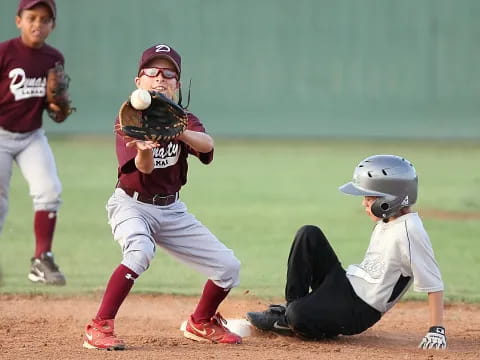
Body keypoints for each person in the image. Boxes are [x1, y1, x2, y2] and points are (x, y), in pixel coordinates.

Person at [82, 43, 242, 350]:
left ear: (177, 85)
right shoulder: (128, 119)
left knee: (228, 266)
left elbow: (207, 145)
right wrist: (145, 149)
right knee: (139, 252)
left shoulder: (185, 119)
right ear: (138, 82)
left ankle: (201, 321)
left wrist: (178, 132)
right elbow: (142, 169)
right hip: (131, 205)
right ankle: (98, 326)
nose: (160, 78)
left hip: (172, 210)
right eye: (152, 72)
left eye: (168, 74)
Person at [247, 155, 447, 350]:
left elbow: (433, 282)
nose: (363, 203)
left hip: (359, 309)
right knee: (309, 234)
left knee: (299, 315)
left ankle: (292, 317)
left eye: (369, 198)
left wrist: (436, 330)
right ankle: (287, 315)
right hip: (346, 284)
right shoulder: (389, 221)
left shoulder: (410, 231)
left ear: (389, 200)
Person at [0, 0, 69, 286]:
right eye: (31, 17)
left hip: (31, 136)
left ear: (52, 25)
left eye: (44, 19)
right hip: (1, 135)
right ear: (19, 20)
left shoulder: (53, 57)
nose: (37, 24)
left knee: (49, 190)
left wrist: (57, 107)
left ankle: (42, 259)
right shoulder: (4, 52)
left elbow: (56, 110)